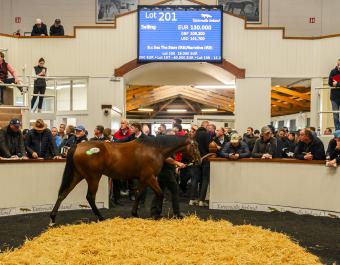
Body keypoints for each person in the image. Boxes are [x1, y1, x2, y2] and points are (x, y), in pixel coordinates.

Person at [150, 129, 186, 220]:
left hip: (165, 171)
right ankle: (177, 214)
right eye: (173, 135)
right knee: (175, 191)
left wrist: (176, 167)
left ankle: (155, 213)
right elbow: (165, 157)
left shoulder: (166, 144)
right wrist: (177, 163)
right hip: (165, 172)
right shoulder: (165, 145)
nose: (174, 137)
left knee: (159, 193)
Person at [191, 120, 210, 207]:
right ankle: (201, 201)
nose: (209, 128)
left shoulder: (194, 135)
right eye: (208, 126)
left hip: (196, 159)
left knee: (195, 179)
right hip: (205, 159)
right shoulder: (206, 134)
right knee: (205, 179)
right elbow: (210, 146)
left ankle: (192, 199)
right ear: (205, 126)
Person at [328, 59, 340, 130]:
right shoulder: (333, 71)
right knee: (335, 115)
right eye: (338, 64)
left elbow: (335, 83)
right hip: (334, 98)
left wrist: (337, 83)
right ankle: (337, 130)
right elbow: (330, 83)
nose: (339, 66)